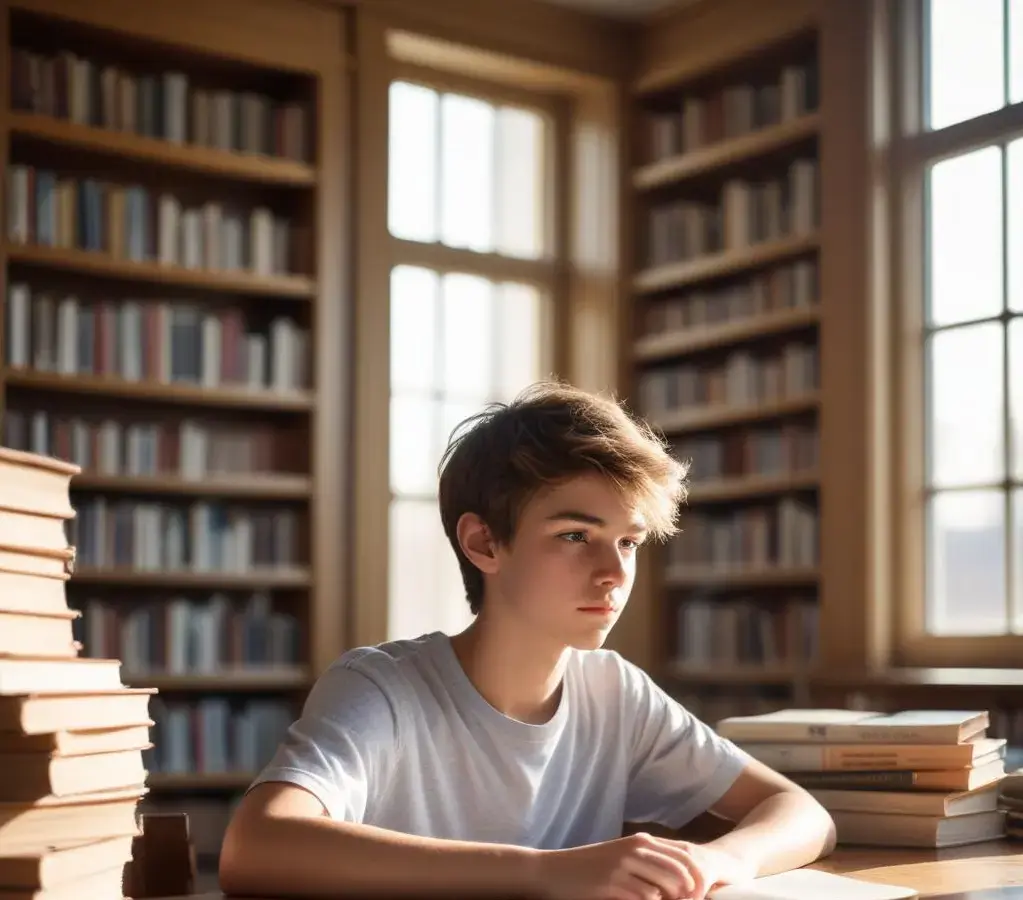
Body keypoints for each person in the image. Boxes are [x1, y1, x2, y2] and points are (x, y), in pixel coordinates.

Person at [219, 381, 835, 900]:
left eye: (628, 542)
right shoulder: (383, 688)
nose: (615, 573)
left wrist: (721, 863)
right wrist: (546, 872)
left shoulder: (614, 693)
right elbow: (255, 845)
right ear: (484, 543)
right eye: (575, 535)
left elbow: (803, 814)